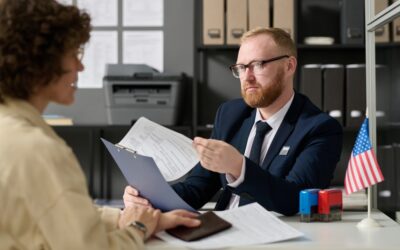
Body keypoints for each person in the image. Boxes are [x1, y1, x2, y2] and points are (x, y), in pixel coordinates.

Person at [0, 0, 200, 249]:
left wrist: (127, 218)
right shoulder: (39, 150)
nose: (81, 66)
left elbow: (62, 211)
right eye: (74, 55)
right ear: (42, 62)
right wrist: (138, 228)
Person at [123, 27, 343, 216]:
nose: (247, 77)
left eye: (258, 65)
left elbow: (294, 199)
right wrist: (152, 198)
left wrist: (238, 166)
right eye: (240, 68)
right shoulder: (231, 114)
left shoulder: (320, 128)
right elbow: (198, 186)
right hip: (222, 230)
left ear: (289, 66)